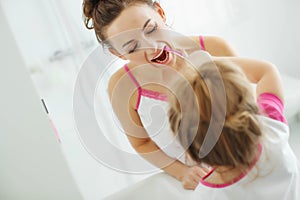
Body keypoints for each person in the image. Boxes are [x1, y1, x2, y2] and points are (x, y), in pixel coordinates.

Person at [82, 0, 237, 190]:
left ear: (161, 13)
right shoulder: (122, 87)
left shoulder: (213, 49)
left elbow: (253, 108)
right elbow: (142, 143)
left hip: (247, 163)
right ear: (118, 54)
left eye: (151, 29)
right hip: (201, 187)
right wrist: (183, 172)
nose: (152, 47)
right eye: (132, 47)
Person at [168, 55, 300, 199]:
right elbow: (267, 70)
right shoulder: (272, 127)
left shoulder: (208, 195)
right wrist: (205, 63)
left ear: (190, 151)